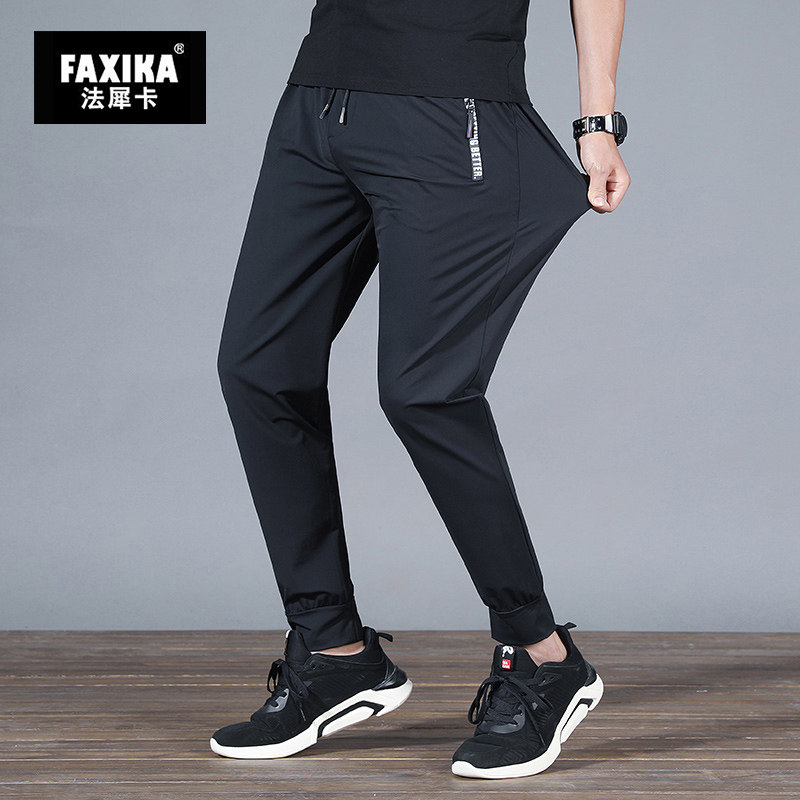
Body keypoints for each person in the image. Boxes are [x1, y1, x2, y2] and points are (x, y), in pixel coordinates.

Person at [210, 0, 630, 779]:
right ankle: (335, 651)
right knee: (259, 367)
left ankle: (544, 656)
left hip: (450, 104)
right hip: (319, 101)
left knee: (425, 390)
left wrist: (597, 121)